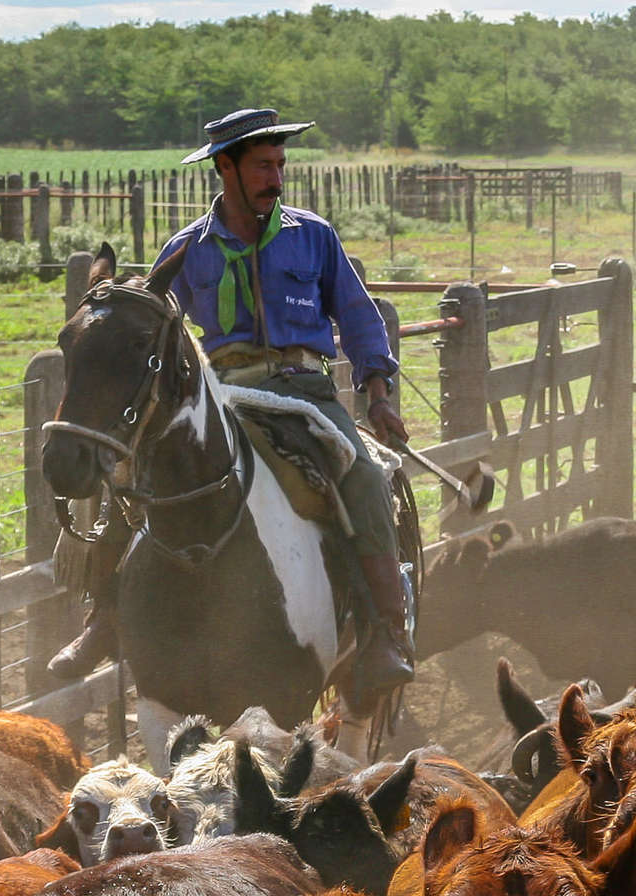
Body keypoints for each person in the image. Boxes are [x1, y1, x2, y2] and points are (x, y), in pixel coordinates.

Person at [48, 107, 414, 696]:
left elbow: (357, 314)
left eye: (279, 165)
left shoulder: (313, 235)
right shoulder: (187, 249)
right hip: (222, 392)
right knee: (134, 468)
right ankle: (105, 617)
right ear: (226, 167)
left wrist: (377, 391)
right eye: (263, 166)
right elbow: (155, 323)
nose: (275, 177)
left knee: (366, 478)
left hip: (303, 391)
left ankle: (385, 633)